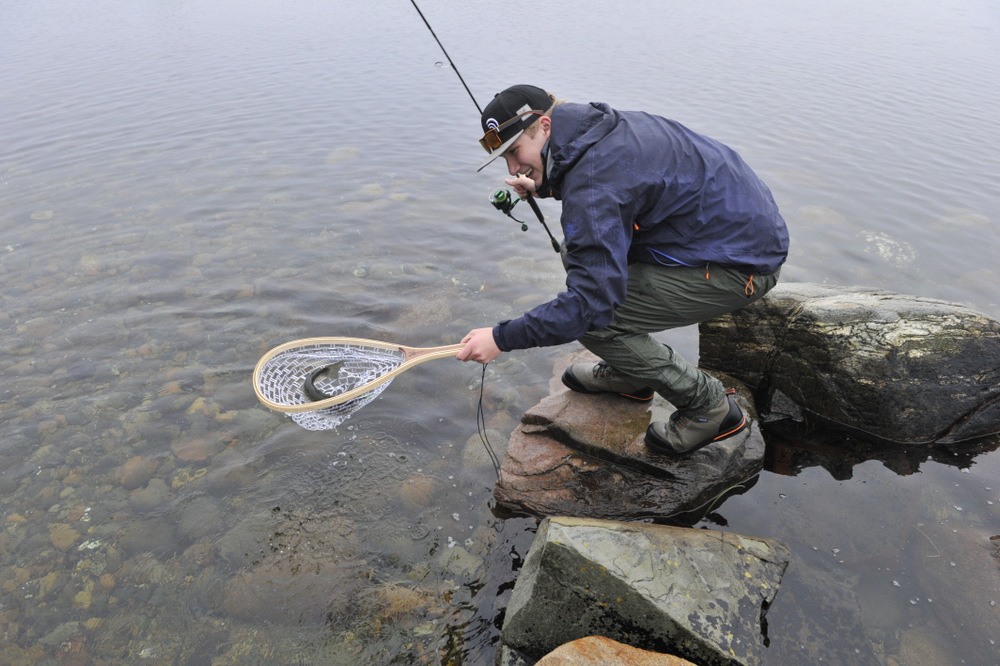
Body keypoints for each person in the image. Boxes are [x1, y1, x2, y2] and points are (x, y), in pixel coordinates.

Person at [457, 84, 789, 455]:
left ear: (545, 126)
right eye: (504, 157)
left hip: (741, 263)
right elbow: (612, 187)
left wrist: (501, 338)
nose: (512, 167)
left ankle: (709, 406)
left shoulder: (593, 178)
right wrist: (544, 185)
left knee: (596, 319)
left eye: (514, 151)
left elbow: (590, 303)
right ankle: (632, 372)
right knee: (577, 251)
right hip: (726, 234)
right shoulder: (596, 127)